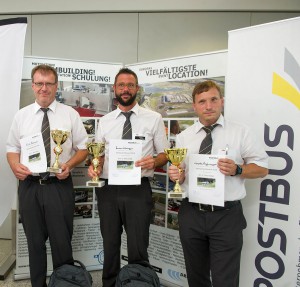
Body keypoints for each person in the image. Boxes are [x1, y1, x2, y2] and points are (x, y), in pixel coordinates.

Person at [168, 80, 268, 287]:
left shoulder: (241, 132)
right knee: (196, 278)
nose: (208, 106)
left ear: (222, 101)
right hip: (191, 213)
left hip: (226, 216)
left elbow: (262, 169)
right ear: (195, 106)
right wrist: (178, 175)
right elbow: (182, 175)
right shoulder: (184, 137)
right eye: (202, 101)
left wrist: (238, 169)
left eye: (213, 99)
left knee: (225, 281)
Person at [6, 64, 88, 287]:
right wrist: (15, 166)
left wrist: (69, 164)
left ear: (56, 86)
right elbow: (12, 148)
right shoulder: (21, 116)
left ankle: (65, 283)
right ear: (33, 86)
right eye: (39, 83)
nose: (44, 88)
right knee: (35, 244)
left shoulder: (70, 115)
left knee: (62, 243)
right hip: (30, 186)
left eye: (49, 83)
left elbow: (84, 148)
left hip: (58, 186)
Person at [88, 67, 169, 287]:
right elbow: (100, 155)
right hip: (108, 189)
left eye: (130, 85)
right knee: (110, 244)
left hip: (138, 188)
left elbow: (164, 154)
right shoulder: (105, 121)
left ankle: (138, 283)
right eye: (121, 85)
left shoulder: (153, 118)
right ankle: (109, 284)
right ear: (115, 89)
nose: (126, 89)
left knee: (138, 245)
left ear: (137, 89)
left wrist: (155, 161)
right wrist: (95, 166)